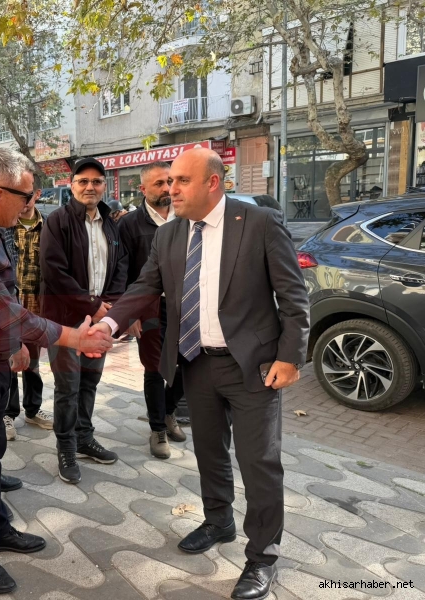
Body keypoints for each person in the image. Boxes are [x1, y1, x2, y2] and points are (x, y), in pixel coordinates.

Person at [94, 148, 309, 600]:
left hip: (253, 366)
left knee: (259, 463)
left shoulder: (259, 223)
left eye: (181, 181)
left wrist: (290, 357)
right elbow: (145, 287)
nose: (170, 189)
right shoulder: (169, 234)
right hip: (196, 362)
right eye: (169, 181)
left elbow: (293, 295)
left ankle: (262, 556)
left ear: (213, 182)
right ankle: (218, 520)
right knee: (209, 452)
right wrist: (109, 325)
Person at [0, 147, 113, 595]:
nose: (31, 205)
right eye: (26, 197)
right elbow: (10, 313)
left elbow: (2, 303)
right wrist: (75, 338)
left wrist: (13, 348)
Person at [40, 157, 128, 485]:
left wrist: (110, 308)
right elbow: (54, 272)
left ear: (104, 186)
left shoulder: (111, 224)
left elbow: (121, 266)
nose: (90, 187)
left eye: (96, 181)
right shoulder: (58, 221)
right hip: (66, 321)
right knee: (68, 387)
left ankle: (84, 437)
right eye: (83, 181)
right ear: (72, 185)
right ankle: (65, 446)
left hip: (100, 320)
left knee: (90, 381)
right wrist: (93, 305)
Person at [116, 161, 185, 460]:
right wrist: (129, 313)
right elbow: (121, 271)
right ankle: (158, 429)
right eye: (159, 183)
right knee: (154, 369)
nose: (167, 188)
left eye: (170, 181)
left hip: (187, 305)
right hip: (149, 307)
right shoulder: (129, 225)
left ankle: (169, 411)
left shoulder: (186, 216)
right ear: (143, 189)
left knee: (190, 363)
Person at [2, 176, 52, 442]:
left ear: (38, 194)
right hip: (10, 307)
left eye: (28, 196)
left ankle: (33, 409)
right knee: (11, 361)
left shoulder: (49, 226)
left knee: (32, 363)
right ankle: (7, 413)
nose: (23, 202)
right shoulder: (5, 226)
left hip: (36, 308)